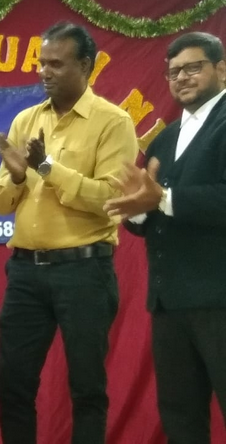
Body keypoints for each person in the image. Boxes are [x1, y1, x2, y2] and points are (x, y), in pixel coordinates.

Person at [0, 22, 139, 444]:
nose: (44, 72)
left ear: (86, 66)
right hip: (25, 273)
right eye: (42, 63)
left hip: (84, 272)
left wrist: (47, 169)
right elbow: (2, 202)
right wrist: (17, 177)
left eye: (56, 64)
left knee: (87, 388)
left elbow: (111, 198)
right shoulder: (25, 120)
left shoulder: (113, 122)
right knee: (12, 384)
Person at [105, 32, 226, 443]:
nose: (182, 78)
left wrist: (163, 198)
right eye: (174, 72)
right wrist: (136, 210)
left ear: (220, 68)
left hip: (219, 300)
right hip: (169, 302)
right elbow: (149, 209)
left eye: (193, 67)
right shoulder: (165, 137)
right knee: (180, 416)